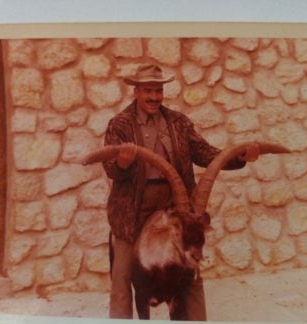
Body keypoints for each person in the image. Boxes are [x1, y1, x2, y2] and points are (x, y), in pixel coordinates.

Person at [103, 64, 260, 320]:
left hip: (175, 205)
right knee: (122, 275)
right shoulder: (120, 125)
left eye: (159, 90)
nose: (155, 97)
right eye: (148, 91)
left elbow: (207, 154)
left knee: (191, 272)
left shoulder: (178, 122)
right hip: (133, 208)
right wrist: (122, 161)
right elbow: (111, 169)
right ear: (136, 91)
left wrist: (241, 157)